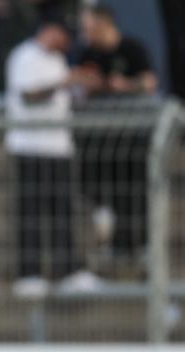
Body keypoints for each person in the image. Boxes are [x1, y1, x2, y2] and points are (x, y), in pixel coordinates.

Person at [6, 19, 99, 298]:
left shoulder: (58, 60)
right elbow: (28, 96)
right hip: (30, 146)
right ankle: (29, 275)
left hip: (59, 147)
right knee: (31, 213)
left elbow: (64, 97)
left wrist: (82, 87)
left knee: (63, 212)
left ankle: (68, 270)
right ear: (51, 31)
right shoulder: (24, 55)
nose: (68, 44)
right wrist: (65, 81)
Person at [73, 5, 157, 272]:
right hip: (99, 138)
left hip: (132, 136)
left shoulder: (132, 48)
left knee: (136, 191)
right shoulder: (87, 53)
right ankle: (113, 243)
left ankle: (141, 247)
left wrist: (127, 85)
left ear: (104, 24)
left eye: (90, 27)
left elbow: (149, 82)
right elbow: (79, 85)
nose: (85, 34)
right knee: (100, 187)